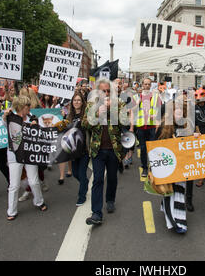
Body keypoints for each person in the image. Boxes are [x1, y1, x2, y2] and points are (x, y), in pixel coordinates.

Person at [82, 79, 127, 225]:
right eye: (103, 91)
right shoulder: (91, 105)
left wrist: (111, 110)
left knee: (112, 177)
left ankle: (110, 200)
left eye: (108, 91)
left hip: (114, 149)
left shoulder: (119, 104)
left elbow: (124, 122)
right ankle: (96, 213)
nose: (106, 93)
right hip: (98, 149)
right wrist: (96, 114)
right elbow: (84, 124)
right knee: (98, 179)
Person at [3, 96, 47, 221]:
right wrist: (5, 115)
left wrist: (35, 125)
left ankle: (39, 201)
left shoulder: (32, 118)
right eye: (27, 106)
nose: (29, 108)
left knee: (34, 181)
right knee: (14, 184)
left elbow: (39, 134)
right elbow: (4, 121)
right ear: (21, 107)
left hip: (29, 154)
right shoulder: (10, 118)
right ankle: (11, 210)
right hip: (14, 155)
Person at [156, 96, 193, 234]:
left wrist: (195, 136)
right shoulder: (164, 127)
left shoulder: (187, 126)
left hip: (182, 166)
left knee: (179, 193)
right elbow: (156, 148)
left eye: (180, 112)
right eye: (175, 111)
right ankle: (174, 222)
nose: (178, 114)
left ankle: (178, 217)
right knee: (169, 192)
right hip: (168, 166)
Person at [55, 91, 90, 206]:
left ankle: (82, 196)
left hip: (84, 150)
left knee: (82, 173)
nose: (77, 102)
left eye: (79, 100)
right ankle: (85, 183)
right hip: (73, 151)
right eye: (75, 100)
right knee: (75, 174)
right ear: (72, 102)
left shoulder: (86, 114)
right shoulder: (68, 116)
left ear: (82, 102)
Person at [135, 78, 161, 177]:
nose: (146, 86)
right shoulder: (137, 96)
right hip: (141, 127)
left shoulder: (155, 96)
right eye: (145, 84)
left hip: (152, 127)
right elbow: (131, 111)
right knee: (143, 149)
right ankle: (145, 168)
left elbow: (159, 111)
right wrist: (138, 102)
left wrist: (156, 117)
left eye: (148, 84)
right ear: (142, 85)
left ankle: (152, 167)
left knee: (153, 149)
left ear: (150, 86)